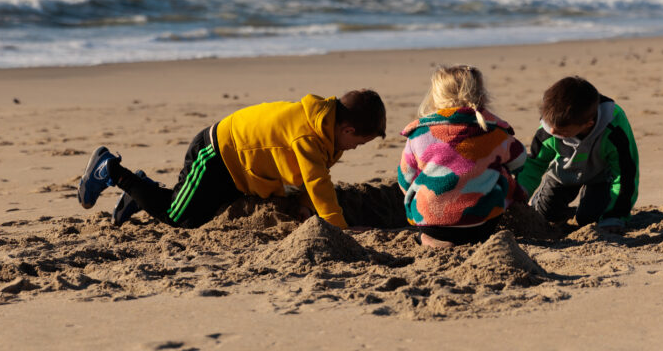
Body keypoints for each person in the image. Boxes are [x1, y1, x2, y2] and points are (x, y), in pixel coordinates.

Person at [78, 90, 386, 230]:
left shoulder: (327, 129)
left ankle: (141, 193)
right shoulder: (306, 135)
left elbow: (312, 179)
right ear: (347, 128)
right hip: (216, 154)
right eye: (359, 142)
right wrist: (339, 230)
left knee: (196, 217)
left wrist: (305, 205)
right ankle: (110, 170)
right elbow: (319, 182)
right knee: (178, 216)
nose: (356, 148)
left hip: (240, 170)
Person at [398, 66, 527, 247]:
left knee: (422, 178)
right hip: (481, 224)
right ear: (481, 94)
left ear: (436, 96)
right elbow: (519, 160)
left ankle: (430, 239)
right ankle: (473, 234)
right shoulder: (494, 131)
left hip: (430, 223)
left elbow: (405, 179)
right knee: (500, 169)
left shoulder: (418, 134)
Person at [515, 76, 639, 232]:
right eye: (549, 126)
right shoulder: (550, 127)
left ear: (588, 124)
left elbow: (625, 174)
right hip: (563, 172)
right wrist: (521, 192)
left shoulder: (614, 129)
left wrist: (616, 215)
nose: (552, 132)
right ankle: (567, 212)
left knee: (588, 220)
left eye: (562, 131)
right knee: (545, 215)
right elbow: (534, 164)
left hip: (601, 176)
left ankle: (588, 209)